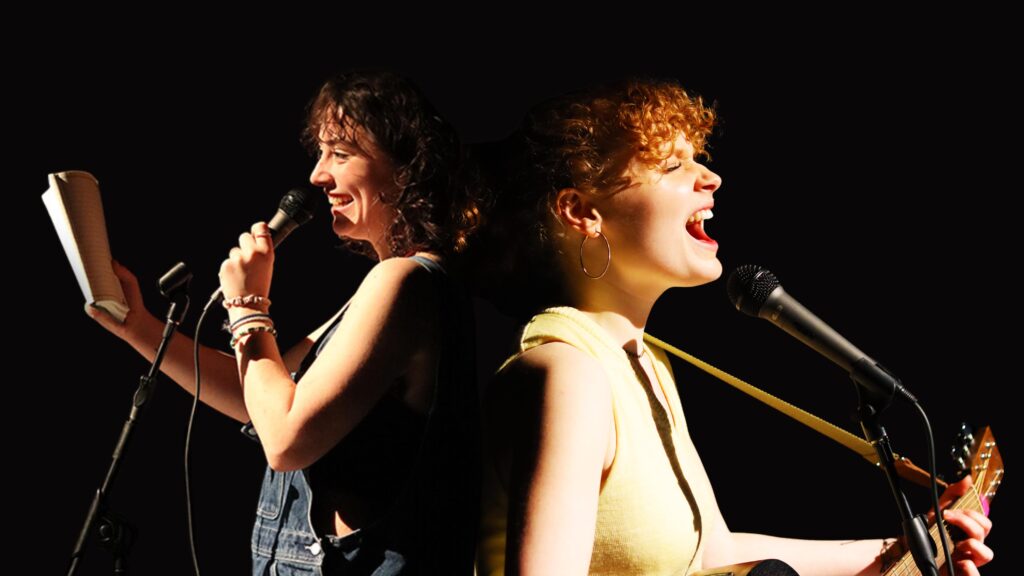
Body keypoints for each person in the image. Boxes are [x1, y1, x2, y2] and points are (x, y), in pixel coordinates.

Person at [474, 79, 994, 575]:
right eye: (673, 164)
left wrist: (907, 549)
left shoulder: (645, 363)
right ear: (582, 211)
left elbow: (707, 553)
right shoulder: (568, 373)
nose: (710, 177)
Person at [88, 70, 480, 575]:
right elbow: (259, 392)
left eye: (341, 153)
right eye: (320, 154)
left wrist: (248, 304)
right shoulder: (386, 287)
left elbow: (285, 439)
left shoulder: (404, 282)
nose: (318, 175)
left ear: (407, 166)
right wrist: (137, 326)